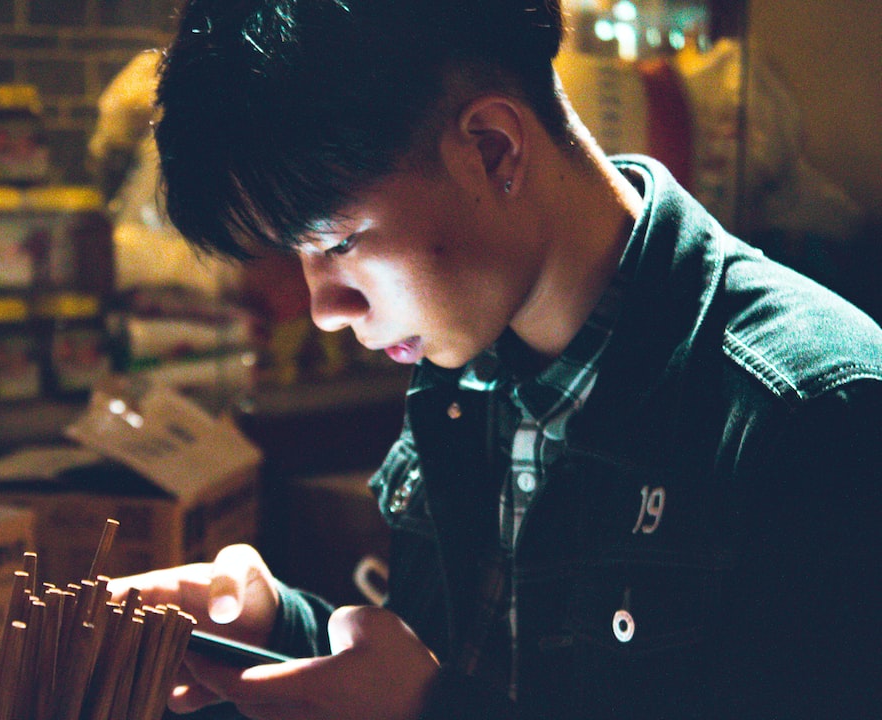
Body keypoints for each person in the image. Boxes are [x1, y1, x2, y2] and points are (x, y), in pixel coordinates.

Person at [108, 1, 882, 718]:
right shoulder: (466, 369)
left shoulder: (813, 416)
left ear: (492, 148)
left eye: (338, 243)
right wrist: (278, 627)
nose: (325, 309)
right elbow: (463, 671)